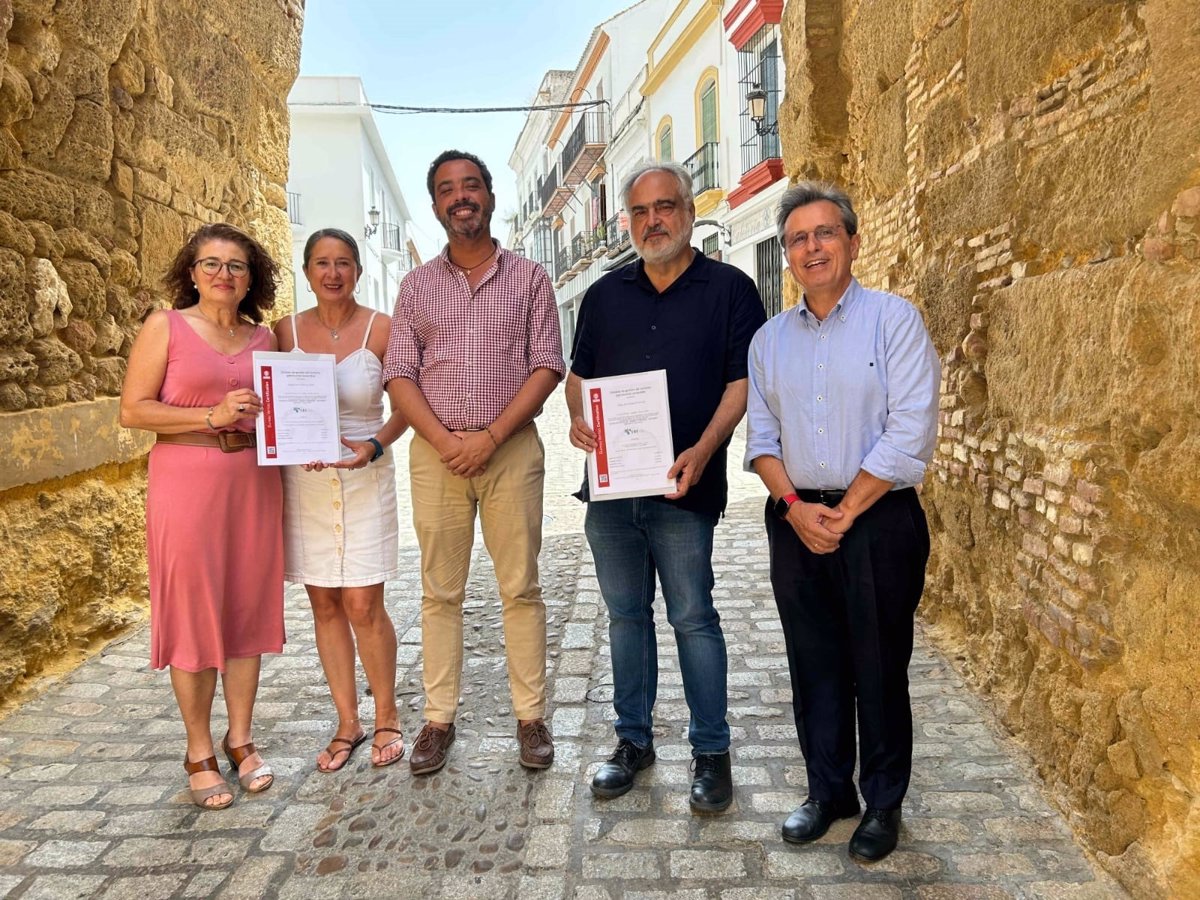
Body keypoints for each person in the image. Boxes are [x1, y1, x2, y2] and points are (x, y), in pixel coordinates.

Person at [745, 181, 940, 861]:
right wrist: (799, 512)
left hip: (880, 519)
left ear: (852, 242)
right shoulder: (768, 341)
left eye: (825, 233)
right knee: (814, 661)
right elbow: (761, 443)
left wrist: (846, 511)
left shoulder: (894, 321)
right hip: (796, 521)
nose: (812, 247)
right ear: (788, 256)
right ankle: (829, 791)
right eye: (798, 238)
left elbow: (910, 430)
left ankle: (882, 801)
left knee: (880, 664)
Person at [566, 162, 767, 814]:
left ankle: (711, 752)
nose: (653, 220)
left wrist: (704, 451)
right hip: (611, 495)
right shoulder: (602, 296)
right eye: (641, 211)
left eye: (666, 206)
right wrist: (577, 417)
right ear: (628, 221)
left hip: (686, 492)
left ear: (688, 210)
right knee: (626, 619)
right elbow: (579, 377)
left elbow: (742, 384)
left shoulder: (731, 289)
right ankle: (633, 742)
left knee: (692, 619)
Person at [383, 150, 564, 775]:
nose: (460, 198)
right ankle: (437, 721)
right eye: (446, 190)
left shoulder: (532, 278)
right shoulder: (416, 287)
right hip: (436, 456)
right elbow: (400, 374)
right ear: (435, 205)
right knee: (439, 592)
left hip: (511, 450)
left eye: (471, 186)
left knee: (521, 586)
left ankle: (531, 717)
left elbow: (546, 365)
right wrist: (444, 439)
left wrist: (489, 437)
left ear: (489, 196)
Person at [120, 223, 285, 810]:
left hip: (253, 485)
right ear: (191, 272)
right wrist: (209, 417)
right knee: (192, 615)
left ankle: (240, 739)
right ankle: (198, 750)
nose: (223, 274)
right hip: (186, 483)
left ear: (250, 279)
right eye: (211, 263)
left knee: (245, 610)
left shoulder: (264, 339)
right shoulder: (164, 327)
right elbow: (133, 411)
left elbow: (286, 410)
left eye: (236, 265)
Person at [275, 228, 409, 772]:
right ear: (306, 271)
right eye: (322, 263)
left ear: (356, 270)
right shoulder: (282, 332)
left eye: (344, 263)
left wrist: (375, 445)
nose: (333, 273)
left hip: (364, 473)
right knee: (323, 602)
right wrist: (283, 437)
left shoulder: (382, 328)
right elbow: (270, 400)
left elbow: (407, 406)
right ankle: (346, 721)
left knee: (362, 603)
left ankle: (387, 716)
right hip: (304, 481)